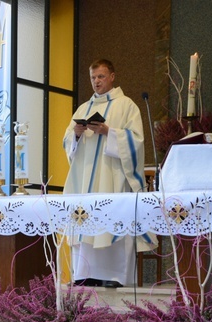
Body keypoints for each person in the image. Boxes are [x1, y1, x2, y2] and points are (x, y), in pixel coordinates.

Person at [63, 59, 152, 288]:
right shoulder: (83, 108)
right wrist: (76, 134)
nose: (97, 82)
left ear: (112, 76)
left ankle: (115, 276)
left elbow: (137, 141)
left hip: (112, 178)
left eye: (101, 77)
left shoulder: (126, 105)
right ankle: (85, 274)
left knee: (113, 221)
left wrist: (109, 132)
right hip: (86, 183)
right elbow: (67, 144)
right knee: (87, 223)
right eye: (93, 78)